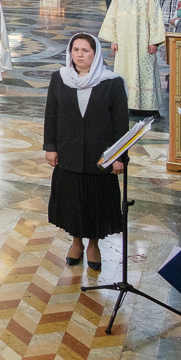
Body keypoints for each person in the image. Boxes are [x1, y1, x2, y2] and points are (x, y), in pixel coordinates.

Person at [43, 33, 127, 271]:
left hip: (100, 156)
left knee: (95, 204)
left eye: (85, 50)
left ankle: (93, 245)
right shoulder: (59, 79)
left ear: (95, 54)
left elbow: (121, 124)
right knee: (73, 204)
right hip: (69, 153)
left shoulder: (112, 82)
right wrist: (50, 147)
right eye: (75, 50)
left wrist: (120, 157)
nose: (79, 55)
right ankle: (76, 242)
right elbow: (51, 115)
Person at [99, 0, 166, 113]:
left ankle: (148, 106)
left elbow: (155, 19)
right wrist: (113, 41)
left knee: (145, 73)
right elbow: (111, 19)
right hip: (124, 45)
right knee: (124, 72)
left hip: (144, 44)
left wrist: (154, 41)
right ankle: (126, 104)